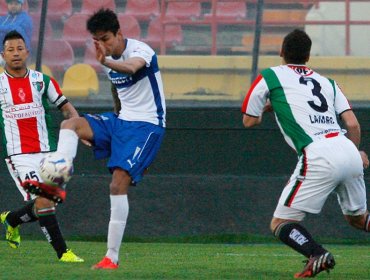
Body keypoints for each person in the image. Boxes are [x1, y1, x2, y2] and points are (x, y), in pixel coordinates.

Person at [241, 29, 369, 278]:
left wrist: (271, 107)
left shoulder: (270, 75)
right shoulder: (328, 83)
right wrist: (356, 152)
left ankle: (316, 254)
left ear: (281, 52)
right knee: (358, 219)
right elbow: (353, 124)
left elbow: (249, 121)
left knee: (280, 223)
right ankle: (316, 255)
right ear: (308, 56)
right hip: (346, 148)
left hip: (319, 154)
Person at [54, 8, 166, 269]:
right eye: (97, 40)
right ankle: (58, 179)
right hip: (121, 121)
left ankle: (110, 257)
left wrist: (105, 62)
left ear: (119, 34)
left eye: (105, 38)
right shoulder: (107, 59)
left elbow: (130, 68)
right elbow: (119, 92)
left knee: (117, 186)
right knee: (70, 125)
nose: (102, 45)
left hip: (147, 126)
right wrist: (105, 132)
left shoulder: (141, 51)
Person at [0, 30, 83, 262]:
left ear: (27, 52)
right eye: (10, 50)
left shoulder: (42, 81)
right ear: (2, 55)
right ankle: (63, 253)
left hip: (49, 152)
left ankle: (12, 220)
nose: (15, 53)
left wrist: (80, 128)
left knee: (45, 202)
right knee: (45, 201)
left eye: (19, 49)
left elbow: (65, 107)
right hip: (20, 155)